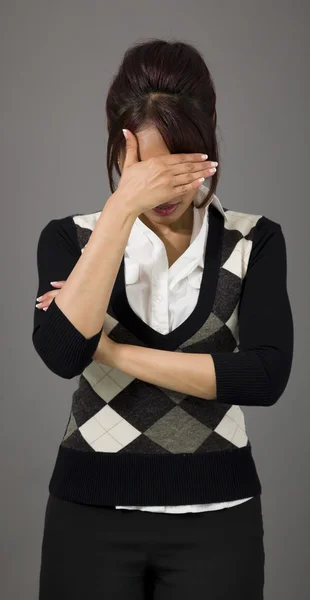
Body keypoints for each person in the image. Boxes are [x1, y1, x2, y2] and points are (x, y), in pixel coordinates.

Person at [33, 39, 294, 600]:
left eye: (180, 165)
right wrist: (122, 209)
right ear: (120, 153)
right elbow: (58, 355)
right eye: (146, 170)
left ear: (207, 143)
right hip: (88, 514)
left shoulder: (255, 239)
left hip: (220, 519)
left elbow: (266, 378)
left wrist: (107, 350)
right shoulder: (70, 238)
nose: (165, 187)